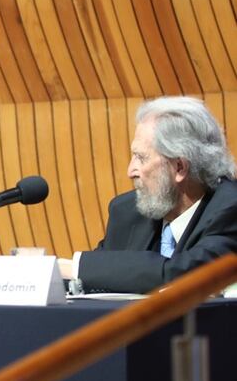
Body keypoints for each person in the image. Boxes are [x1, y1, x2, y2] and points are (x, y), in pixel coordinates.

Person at [60, 96, 237, 294]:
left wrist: (75, 267)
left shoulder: (231, 208)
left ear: (179, 167)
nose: (130, 171)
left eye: (141, 158)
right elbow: (96, 279)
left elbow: (186, 274)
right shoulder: (127, 211)